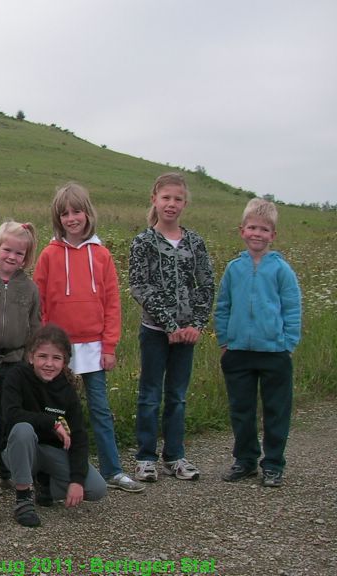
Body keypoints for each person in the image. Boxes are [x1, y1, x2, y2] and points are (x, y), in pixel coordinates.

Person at [33, 183, 144, 493]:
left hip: (94, 346)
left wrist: (109, 346)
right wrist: (43, 348)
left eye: (77, 211)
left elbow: (112, 303)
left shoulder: (102, 254)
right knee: (56, 411)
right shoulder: (48, 255)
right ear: (58, 218)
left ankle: (113, 469)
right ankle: (56, 471)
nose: (71, 218)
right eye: (64, 213)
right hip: (59, 350)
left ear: (87, 213)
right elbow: (39, 303)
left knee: (99, 409)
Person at [128, 173, 215, 482]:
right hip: (155, 331)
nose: (171, 204)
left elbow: (206, 285)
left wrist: (196, 324)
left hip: (187, 333)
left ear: (185, 203)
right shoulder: (143, 242)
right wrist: (168, 323)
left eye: (177, 199)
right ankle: (145, 457)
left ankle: (175, 456)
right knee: (150, 393)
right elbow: (140, 285)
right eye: (166, 198)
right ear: (155, 199)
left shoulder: (195, 242)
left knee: (177, 395)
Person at [215, 198, 301, 488]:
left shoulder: (281, 270)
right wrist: (225, 340)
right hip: (238, 352)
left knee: (276, 410)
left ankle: (274, 463)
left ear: (272, 235)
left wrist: (288, 343)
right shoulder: (233, 269)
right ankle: (246, 460)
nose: (257, 234)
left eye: (264, 229)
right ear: (242, 230)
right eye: (252, 227)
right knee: (242, 410)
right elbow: (223, 305)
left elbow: (292, 307)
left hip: (274, 352)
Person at [2, 324, 108, 527]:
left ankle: (46, 486)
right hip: (20, 451)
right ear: (31, 357)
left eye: (56, 358)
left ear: (65, 362)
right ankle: (23, 498)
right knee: (23, 428)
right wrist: (52, 423)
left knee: (96, 488)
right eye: (42, 356)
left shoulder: (67, 390)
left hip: (51, 453)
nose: (49, 364)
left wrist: (77, 481)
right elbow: (11, 415)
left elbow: (79, 437)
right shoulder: (17, 376)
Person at [0, 220, 41, 497]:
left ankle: (7, 469)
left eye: (19, 253)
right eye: (8, 250)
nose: (12, 257)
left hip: (15, 362)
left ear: (26, 257)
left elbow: (35, 324)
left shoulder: (29, 288)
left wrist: (32, 358)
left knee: (9, 418)